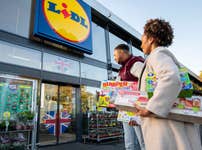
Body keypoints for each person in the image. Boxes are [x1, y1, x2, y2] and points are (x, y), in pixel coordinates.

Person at [135, 18, 202, 150]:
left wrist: (150, 108)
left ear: (151, 39)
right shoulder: (161, 56)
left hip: (165, 131)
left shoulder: (157, 54)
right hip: (166, 125)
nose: (141, 41)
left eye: (143, 36)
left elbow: (171, 78)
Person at [114, 44, 145, 150]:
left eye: (115, 55)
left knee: (143, 141)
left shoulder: (135, 64)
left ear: (122, 52)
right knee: (129, 143)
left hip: (136, 109)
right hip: (125, 110)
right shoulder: (122, 69)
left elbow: (149, 83)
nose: (114, 58)